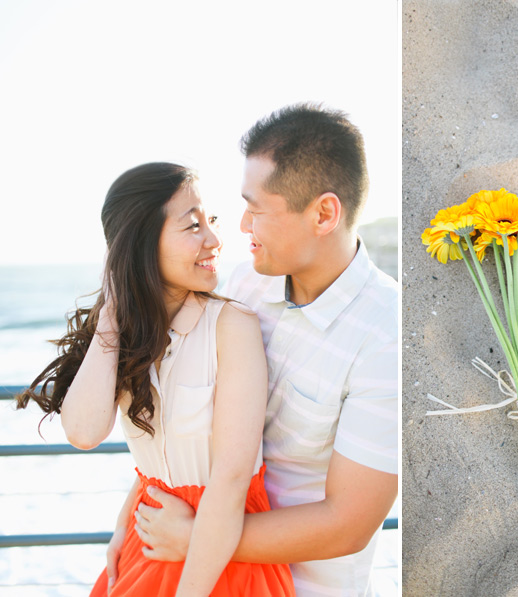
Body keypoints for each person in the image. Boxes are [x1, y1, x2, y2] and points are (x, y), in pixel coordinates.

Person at [132, 104, 399, 595]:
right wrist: (136, 514)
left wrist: (197, 538)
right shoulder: (244, 287)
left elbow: (348, 523)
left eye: (256, 209)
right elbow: (181, 419)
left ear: (324, 214)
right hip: (207, 573)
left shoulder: (386, 336)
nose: (240, 226)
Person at [16, 162, 295, 596]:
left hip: (216, 556)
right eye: (193, 226)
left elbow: (230, 478)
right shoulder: (123, 334)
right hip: (146, 544)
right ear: (142, 246)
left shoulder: (230, 326)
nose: (214, 240)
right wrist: (112, 309)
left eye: (210, 222)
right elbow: (86, 433)